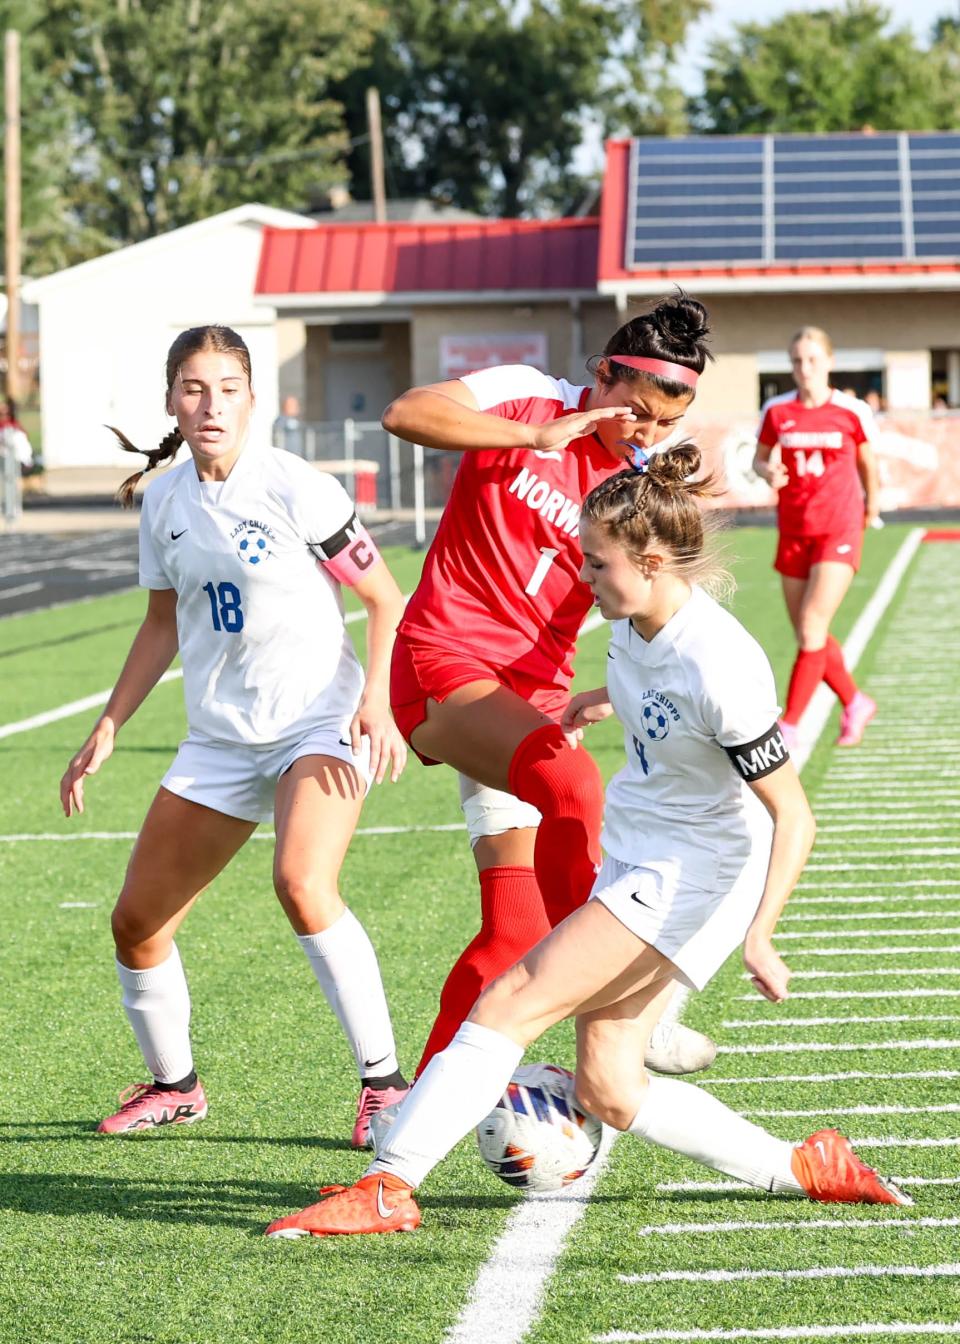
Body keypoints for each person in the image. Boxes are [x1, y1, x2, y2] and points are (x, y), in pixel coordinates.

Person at [264, 442, 909, 1238]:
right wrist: (603, 697)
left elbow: (792, 813)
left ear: (651, 558)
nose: (584, 577)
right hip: (649, 860)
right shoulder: (638, 623)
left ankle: (388, 1185)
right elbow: (659, 687)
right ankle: (803, 1164)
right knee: (609, 1086)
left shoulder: (722, 665)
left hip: (687, 876)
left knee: (510, 999)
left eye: (596, 564)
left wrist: (763, 935)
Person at [60, 325, 409, 1146]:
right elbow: (160, 626)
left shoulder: (298, 487)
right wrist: (110, 723)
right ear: (171, 402)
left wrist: (379, 702)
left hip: (316, 721)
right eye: (193, 388)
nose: (210, 404)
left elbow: (386, 599)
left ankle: (386, 1086)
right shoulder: (166, 502)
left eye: (226, 387)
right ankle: (175, 1085)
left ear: (254, 398)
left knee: (301, 882)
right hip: (220, 740)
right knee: (137, 923)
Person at [381, 293, 717, 1082]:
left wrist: (618, 690)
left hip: (528, 705)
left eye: (665, 425)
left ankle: (400, 1104)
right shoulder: (525, 393)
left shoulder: (635, 487)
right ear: (601, 373)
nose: (647, 433)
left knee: (511, 934)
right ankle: (622, 1007)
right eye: (636, 411)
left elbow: (654, 606)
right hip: (441, 664)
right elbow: (405, 413)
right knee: (575, 784)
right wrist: (529, 435)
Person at [752, 327, 880, 749]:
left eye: (811, 360)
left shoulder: (850, 410)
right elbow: (760, 458)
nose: (803, 369)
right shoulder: (776, 410)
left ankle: (789, 727)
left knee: (811, 626)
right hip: (793, 529)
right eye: (796, 361)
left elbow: (867, 465)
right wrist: (767, 470)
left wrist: (871, 510)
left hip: (839, 528)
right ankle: (855, 701)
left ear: (829, 361)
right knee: (812, 635)